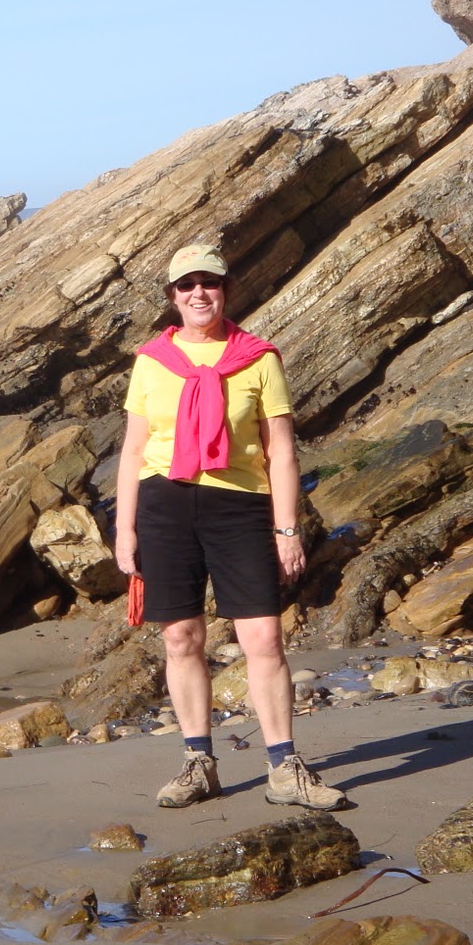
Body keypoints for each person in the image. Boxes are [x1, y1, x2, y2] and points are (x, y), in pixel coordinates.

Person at [114, 243, 349, 811]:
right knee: (180, 638)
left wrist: (287, 529)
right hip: (163, 507)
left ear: (226, 289)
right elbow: (133, 449)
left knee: (264, 638)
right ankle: (199, 763)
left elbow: (283, 452)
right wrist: (125, 530)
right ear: (171, 296)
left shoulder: (259, 358)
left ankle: (284, 767)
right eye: (186, 284)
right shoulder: (152, 361)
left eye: (209, 282)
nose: (199, 293)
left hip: (240, 505)